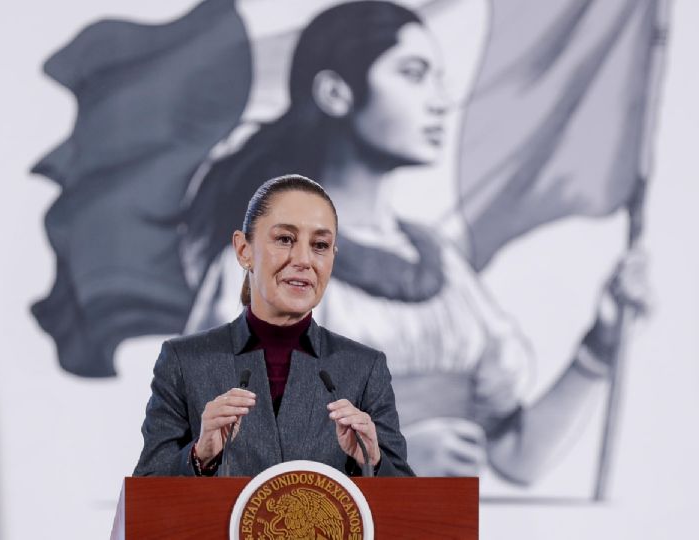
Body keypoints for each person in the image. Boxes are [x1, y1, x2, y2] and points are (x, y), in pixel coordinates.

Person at [181, 1, 648, 483]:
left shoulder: (444, 270)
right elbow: (218, 453)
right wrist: (380, 457)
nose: (440, 100)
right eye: (413, 73)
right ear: (336, 92)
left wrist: (600, 345)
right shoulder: (268, 265)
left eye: (437, 77)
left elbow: (516, 455)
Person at [134, 175, 414, 477]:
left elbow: (406, 504)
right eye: (284, 239)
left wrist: (373, 462)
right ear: (243, 250)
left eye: (320, 245)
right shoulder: (184, 362)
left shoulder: (364, 368)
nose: (304, 260)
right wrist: (200, 456)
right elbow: (148, 493)